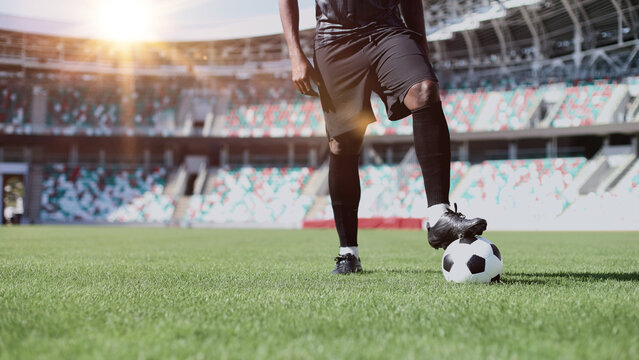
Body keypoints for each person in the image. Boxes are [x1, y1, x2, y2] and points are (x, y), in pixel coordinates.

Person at [279, 0, 487, 274]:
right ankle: (348, 253)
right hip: (334, 39)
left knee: (424, 90)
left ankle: (439, 215)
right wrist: (295, 54)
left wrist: (420, 45)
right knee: (343, 143)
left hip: (387, 30)